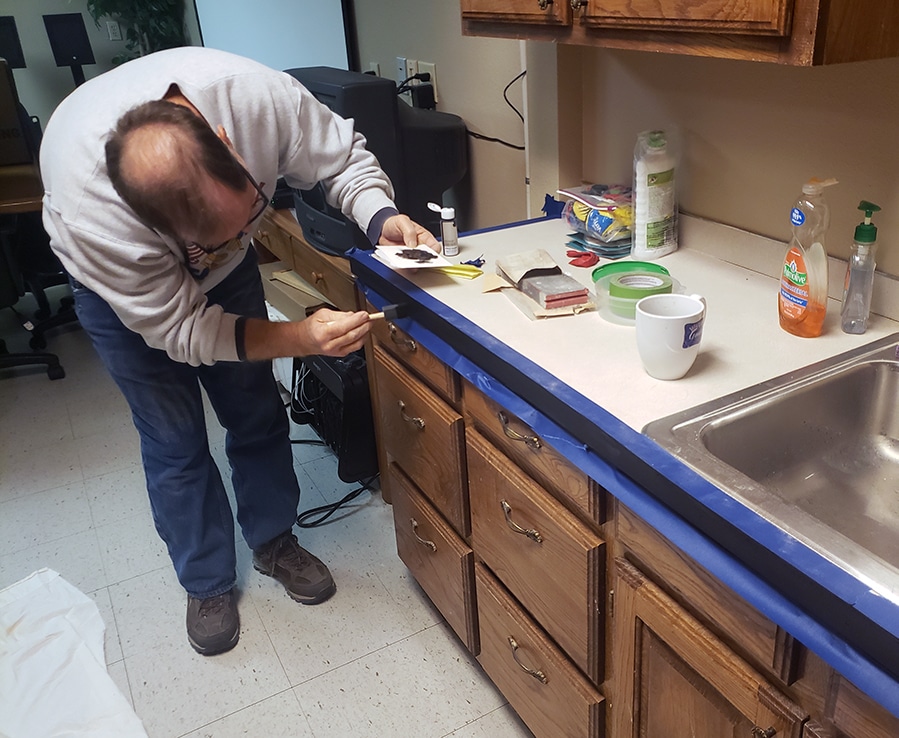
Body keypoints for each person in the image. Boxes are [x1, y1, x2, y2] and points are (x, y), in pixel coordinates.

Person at [40, 46, 438, 656]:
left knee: (253, 408)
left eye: (247, 213)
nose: (234, 240)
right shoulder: (94, 218)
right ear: (154, 226)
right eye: (210, 240)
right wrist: (300, 337)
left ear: (228, 143)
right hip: (124, 300)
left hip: (213, 259)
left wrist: (379, 214)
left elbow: (340, 160)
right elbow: (186, 334)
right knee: (172, 438)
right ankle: (207, 581)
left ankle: (274, 539)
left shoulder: (259, 100)